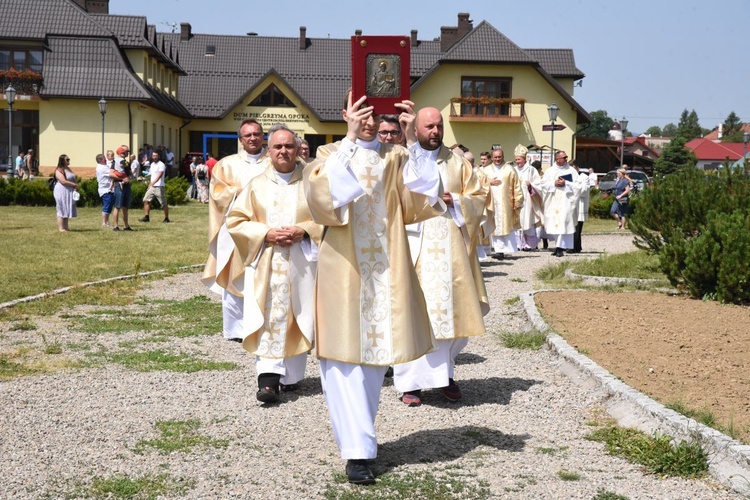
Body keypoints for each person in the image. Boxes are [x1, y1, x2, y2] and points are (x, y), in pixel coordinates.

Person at [303, 92, 444, 485]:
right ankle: (357, 452)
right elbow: (322, 200)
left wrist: (412, 138)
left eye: (372, 113)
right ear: (346, 113)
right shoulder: (329, 154)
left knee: (374, 360)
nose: (367, 120)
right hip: (343, 269)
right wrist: (349, 141)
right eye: (359, 112)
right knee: (342, 359)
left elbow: (424, 194)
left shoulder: (396, 157)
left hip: (386, 269)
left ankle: (361, 439)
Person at [394, 107, 488, 407]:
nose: (434, 132)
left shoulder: (457, 163)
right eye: (429, 127)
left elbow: (478, 198)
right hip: (412, 242)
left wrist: (455, 200)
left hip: (449, 243)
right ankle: (410, 384)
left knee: (448, 308)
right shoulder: (402, 160)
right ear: (416, 129)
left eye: (438, 126)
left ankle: (445, 375)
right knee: (413, 311)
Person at [226, 124, 324, 403]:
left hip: (302, 262)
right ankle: (268, 379)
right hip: (267, 261)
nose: (283, 151)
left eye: (289, 146)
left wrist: (304, 230)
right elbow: (236, 221)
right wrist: (265, 233)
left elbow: (328, 218)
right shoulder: (256, 185)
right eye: (278, 147)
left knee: (298, 314)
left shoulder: (311, 182)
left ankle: (290, 377)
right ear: (268, 151)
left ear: (297, 150)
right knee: (269, 315)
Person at [202, 118, 268, 343]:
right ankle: (236, 329)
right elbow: (217, 193)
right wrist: (236, 192)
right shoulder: (226, 164)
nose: (252, 138)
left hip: (264, 229)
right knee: (233, 275)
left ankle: (262, 324)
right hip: (234, 230)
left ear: (263, 136)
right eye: (248, 135)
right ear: (240, 139)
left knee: (263, 275)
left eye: (257, 134)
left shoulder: (273, 161)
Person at [480, 146, 524, 259]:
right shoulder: (486, 170)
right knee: (494, 225)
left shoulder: (510, 169)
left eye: (499, 157)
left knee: (504, 225)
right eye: (495, 157)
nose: (497, 159)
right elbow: (479, 183)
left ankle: (505, 249)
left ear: (503, 157)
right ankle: (497, 249)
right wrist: (489, 182)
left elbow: (516, 186)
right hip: (491, 202)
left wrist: (517, 200)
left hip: (506, 203)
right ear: (492, 158)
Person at [541, 151, 584, 257]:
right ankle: (557, 246)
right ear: (557, 159)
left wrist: (566, 183)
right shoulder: (550, 171)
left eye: (566, 157)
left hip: (566, 201)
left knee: (563, 223)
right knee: (555, 224)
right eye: (563, 157)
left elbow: (578, 186)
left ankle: (561, 248)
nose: (565, 159)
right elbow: (543, 184)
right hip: (553, 201)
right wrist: (553, 183)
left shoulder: (571, 170)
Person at [512, 145, 543, 251]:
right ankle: (518, 244)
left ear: (524, 159)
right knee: (517, 221)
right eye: (516, 159)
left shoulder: (531, 170)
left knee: (527, 220)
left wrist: (531, 185)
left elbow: (538, 184)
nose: (517, 161)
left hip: (528, 199)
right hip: (516, 199)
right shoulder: (513, 170)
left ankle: (530, 245)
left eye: (519, 159)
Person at [139, 151, 169, 223]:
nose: (154, 157)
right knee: (146, 200)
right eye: (153, 156)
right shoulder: (152, 164)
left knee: (163, 203)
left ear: (159, 156)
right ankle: (146, 217)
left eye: (156, 155)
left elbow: (159, 175)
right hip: (152, 187)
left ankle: (166, 218)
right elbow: (151, 174)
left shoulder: (161, 164)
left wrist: (152, 183)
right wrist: (144, 177)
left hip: (159, 187)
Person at [53, 154, 78, 232]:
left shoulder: (68, 168)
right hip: (61, 190)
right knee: (61, 208)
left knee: (66, 208)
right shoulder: (59, 170)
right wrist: (73, 185)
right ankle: (61, 228)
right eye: (67, 160)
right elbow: (63, 181)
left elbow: (72, 178)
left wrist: (75, 187)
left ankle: (66, 227)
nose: (68, 161)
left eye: (69, 159)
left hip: (69, 190)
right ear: (62, 161)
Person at [112, 146, 133, 231]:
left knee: (125, 206)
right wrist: (122, 178)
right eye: (125, 151)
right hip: (119, 185)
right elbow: (111, 174)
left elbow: (129, 173)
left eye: (127, 151)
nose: (126, 153)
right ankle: (115, 226)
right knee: (117, 206)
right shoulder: (116, 161)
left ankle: (126, 226)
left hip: (126, 185)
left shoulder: (126, 162)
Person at [571, 162, 591, 253]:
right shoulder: (568, 176)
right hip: (570, 204)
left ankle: (575, 246)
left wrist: (573, 187)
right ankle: (574, 246)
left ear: (577, 168)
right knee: (570, 226)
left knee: (577, 227)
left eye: (574, 168)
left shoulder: (584, 177)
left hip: (580, 204)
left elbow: (584, 190)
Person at [95, 153, 114, 228]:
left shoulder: (104, 166)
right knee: (106, 206)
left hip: (108, 189)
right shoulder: (102, 168)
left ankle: (107, 222)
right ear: (100, 160)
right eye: (104, 158)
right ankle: (104, 222)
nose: (106, 159)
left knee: (109, 206)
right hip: (106, 190)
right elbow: (112, 174)